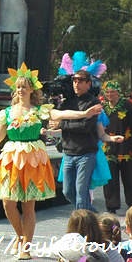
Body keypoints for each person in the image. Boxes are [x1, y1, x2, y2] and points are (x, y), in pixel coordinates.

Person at [0, 67, 56, 260]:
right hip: (11, 158)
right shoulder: (7, 113)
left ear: (32, 90)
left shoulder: (38, 111)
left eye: (25, 87)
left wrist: (84, 113)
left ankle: (26, 247)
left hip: (32, 159)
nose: (21, 90)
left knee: (28, 206)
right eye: (18, 87)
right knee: (8, 203)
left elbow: (62, 114)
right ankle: (20, 236)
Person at [50, 69, 103, 211]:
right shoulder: (67, 102)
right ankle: (93, 215)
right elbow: (55, 117)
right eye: (74, 80)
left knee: (81, 193)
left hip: (86, 154)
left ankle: (82, 220)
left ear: (88, 84)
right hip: (68, 153)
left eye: (80, 81)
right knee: (67, 192)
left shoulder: (94, 102)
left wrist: (62, 124)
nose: (76, 83)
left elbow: (85, 126)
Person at [101, 80, 132, 214]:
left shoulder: (128, 104)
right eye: (107, 92)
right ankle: (111, 206)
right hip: (109, 148)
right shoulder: (102, 108)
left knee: (130, 178)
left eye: (113, 92)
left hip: (128, 147)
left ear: (118, 92)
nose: (110, 94)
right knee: (110, 179)